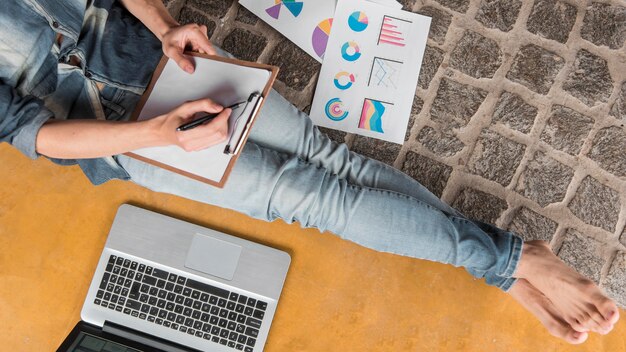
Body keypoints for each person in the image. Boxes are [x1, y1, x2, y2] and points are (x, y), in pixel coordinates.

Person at [1, 0, 620, 345]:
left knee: (334, 160)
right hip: (128, 140)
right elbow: (34, 135)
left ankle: (508, 266)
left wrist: (165, 27)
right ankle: (510, 262)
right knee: (319, 200)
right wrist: (156, 135)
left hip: (175, 65)